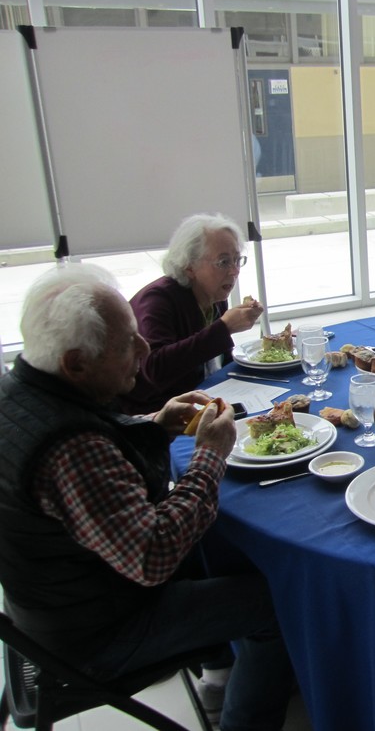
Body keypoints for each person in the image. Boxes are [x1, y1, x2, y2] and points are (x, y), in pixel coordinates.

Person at [0, 264, 295, 731]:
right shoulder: (69, 449)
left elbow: (99, 479)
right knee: (278, 601)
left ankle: (221, 672)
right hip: (93, 633)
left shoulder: (17, 391)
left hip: (46, 601)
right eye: (126, 344)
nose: (143, 349)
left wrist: (155, 427)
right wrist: (210, 455)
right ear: (75, 364)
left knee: (227, 547)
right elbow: (154, 556)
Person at [121, 213, 264, 414]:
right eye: (224, 262)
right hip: (156, 412)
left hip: (204, 398)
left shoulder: (214, 295)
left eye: (237, 260)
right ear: (189, 266)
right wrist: (224, 328)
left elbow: (218, 362)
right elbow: (155, 369)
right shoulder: (157, 300)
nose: (234, 271)